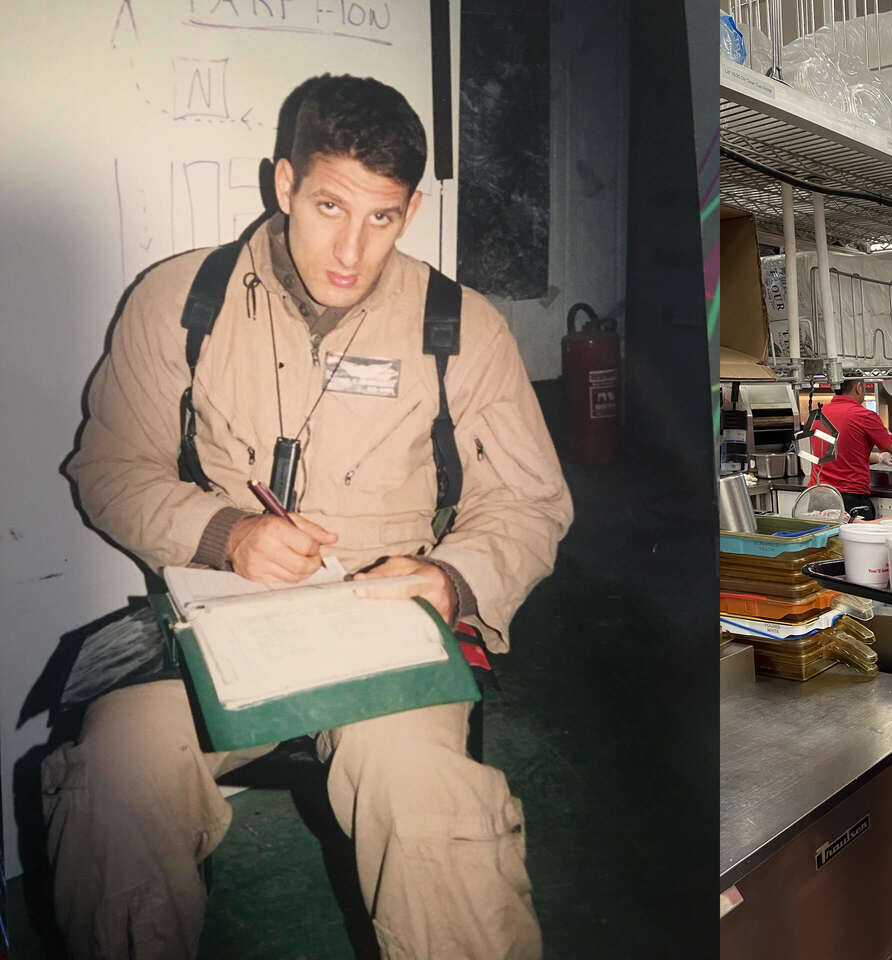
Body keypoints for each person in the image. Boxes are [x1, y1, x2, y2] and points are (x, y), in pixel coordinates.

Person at [48, 75, 571, 959]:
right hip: (218, 619)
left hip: (384, 625)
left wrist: (447, 578)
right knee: (114, 778)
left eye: (383, 217)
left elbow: (530, 500)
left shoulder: (464, 327)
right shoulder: (179, 300)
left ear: (409, 212)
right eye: (329, 204)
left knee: (425, 802)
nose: (350, 250)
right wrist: (225, 535)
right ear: (283, 183)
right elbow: (107, 467)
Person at [805, 378, 892, 519]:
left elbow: (840, 451)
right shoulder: (863, 415)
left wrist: (879, 457)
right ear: (859, 387)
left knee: (824, 539)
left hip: (818, 496)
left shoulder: (818, 414)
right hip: (849, 498)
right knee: (855, 540)